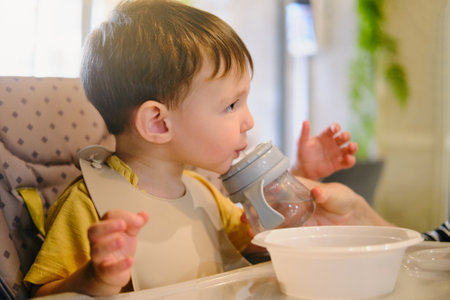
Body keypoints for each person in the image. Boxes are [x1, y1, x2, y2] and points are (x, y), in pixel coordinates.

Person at [24, 0, 360, 297]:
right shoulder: (89, 205)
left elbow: (268, 241)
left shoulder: (205, 194)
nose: (249, 121)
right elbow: (44, 293)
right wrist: (95, 279)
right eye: (231, 105)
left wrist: (299, 177)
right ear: (158, 123)